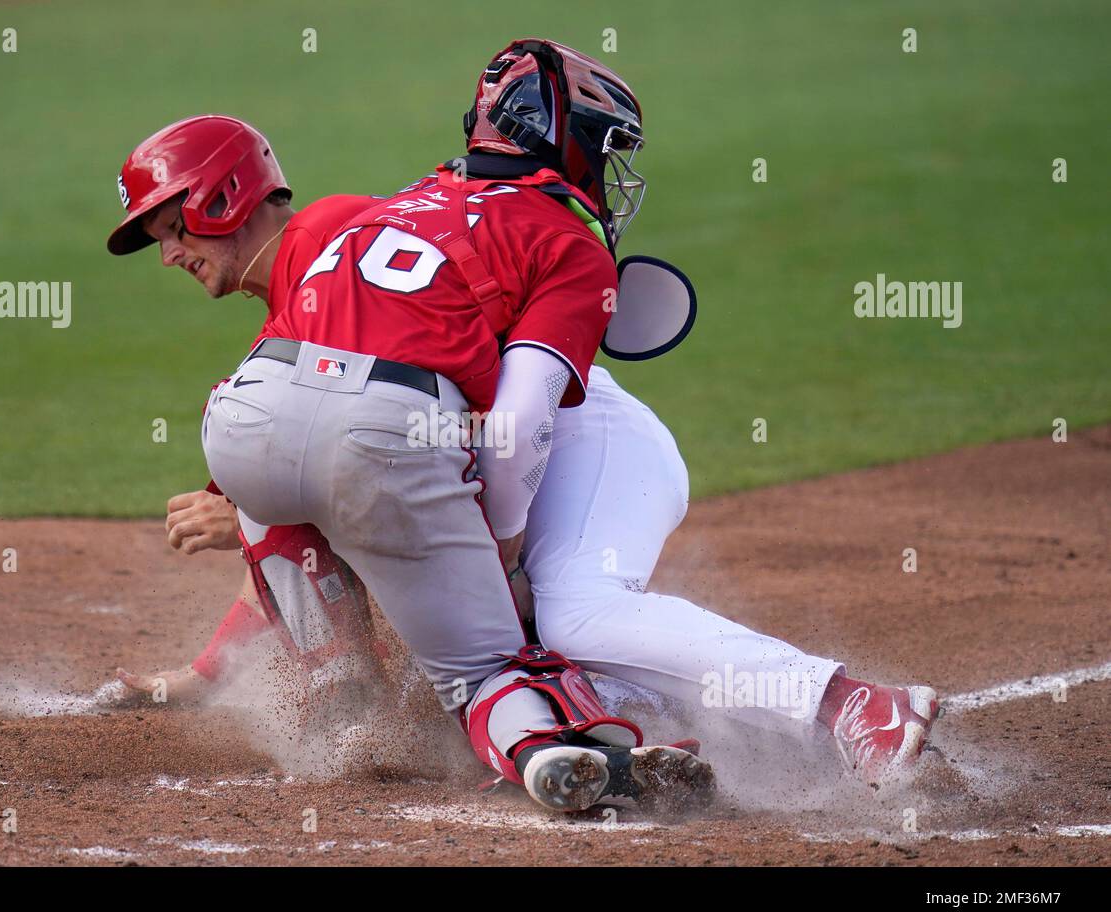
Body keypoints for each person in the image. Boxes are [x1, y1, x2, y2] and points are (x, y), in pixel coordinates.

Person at [107, 40, 939, 809]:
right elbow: (343, 477)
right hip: (467, 437)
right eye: (603, 148)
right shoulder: (535, 230)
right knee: (493, 619)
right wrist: (216, 661)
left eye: (171, 232)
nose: (171, 255)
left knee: (568, 611)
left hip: (586, 437)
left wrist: (494, 548)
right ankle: (601, 725)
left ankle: (852, 704)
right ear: (566, 140)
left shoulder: (394, 211)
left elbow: (515, 419)